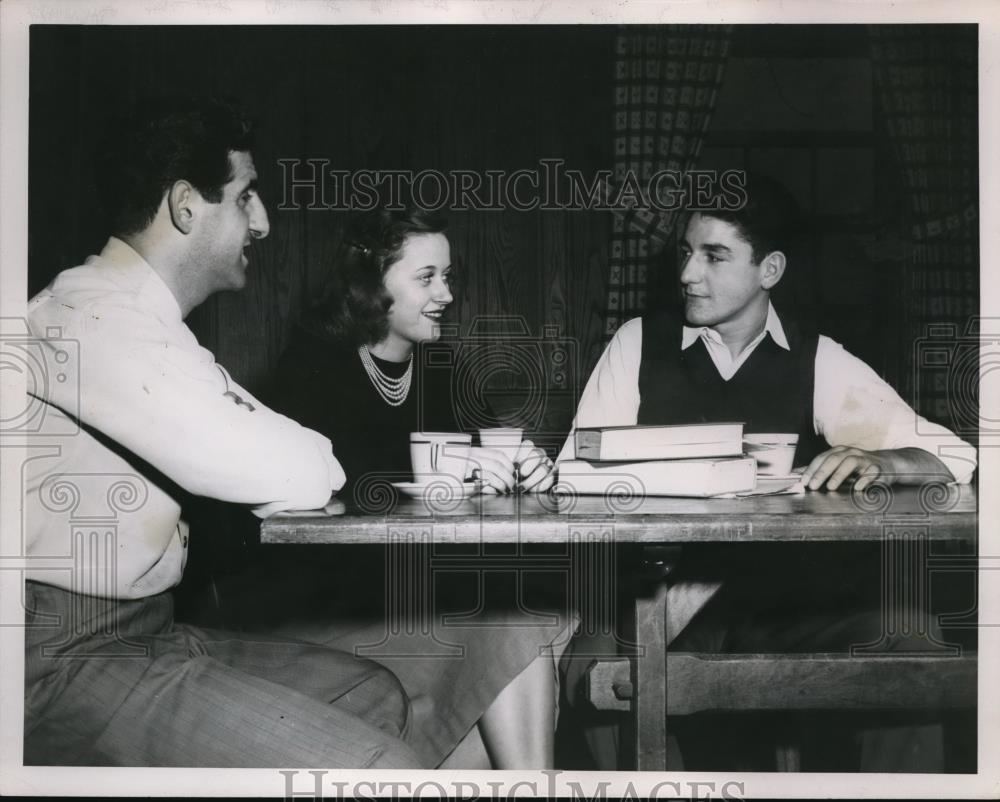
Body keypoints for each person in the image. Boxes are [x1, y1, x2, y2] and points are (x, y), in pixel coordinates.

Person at [22, 96, 423, 768]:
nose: (262, 223)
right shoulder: (87, 320)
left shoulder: (145, 325)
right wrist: (287, 462)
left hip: (147, 632)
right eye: (246, 197)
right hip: (55, 662)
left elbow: (300, 459)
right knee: (380, 773)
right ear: (185, 206)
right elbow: (300, 471)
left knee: (368, 691)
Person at [556, 174, 978, 770]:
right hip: (657, 598)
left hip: (784, 603)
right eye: (685, 252)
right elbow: (571, 475)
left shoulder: (816, 359)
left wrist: (882, 460)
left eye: (714, 256)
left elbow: (954, 456)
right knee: (598, 671)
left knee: (909, 638)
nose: (687, 274)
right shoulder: (637, 344)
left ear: (769, 270)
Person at [214, 206, 572, 770]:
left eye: (448, 276)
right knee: (515, 632)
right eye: (426, 277)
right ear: (369, 285)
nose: (447, 294)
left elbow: (492, 455)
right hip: (326, 610)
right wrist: (458, 476)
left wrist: (527, 470)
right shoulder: (313, 365)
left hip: (419, 596)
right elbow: (323, 491)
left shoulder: (442, 370)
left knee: (525, 621)